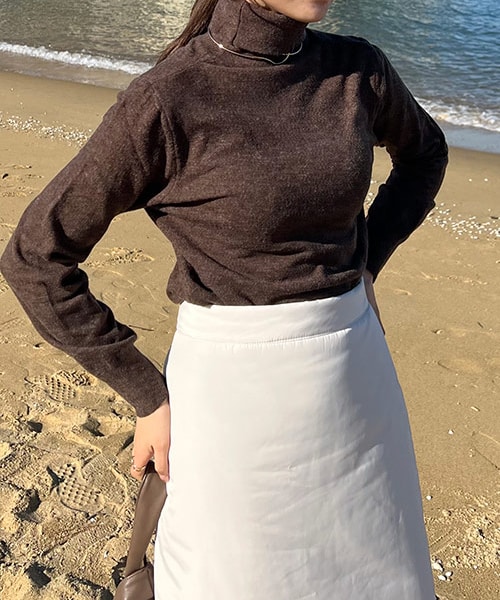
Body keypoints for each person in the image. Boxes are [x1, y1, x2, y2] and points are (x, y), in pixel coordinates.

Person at [0, 0, 448, 598]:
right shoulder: (167, 99)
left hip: (359, 386)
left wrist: (368, 260)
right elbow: (35, 257)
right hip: (233, 406)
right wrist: (146, 394)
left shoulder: (358, 69)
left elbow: (425, 155)